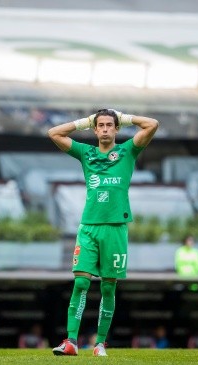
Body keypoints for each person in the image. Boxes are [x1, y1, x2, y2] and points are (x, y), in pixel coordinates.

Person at [48, 108, 159, 357]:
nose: (106, 129)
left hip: (116, 229)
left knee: (108, 288)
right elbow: (53, 133)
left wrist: (126, 117)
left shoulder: (128, 150)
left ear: (116, 128)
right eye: (101, 125)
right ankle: (71, 342)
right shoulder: (86, 153)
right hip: (88, 227)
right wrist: (84, 122)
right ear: (96, 129)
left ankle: (99, 343)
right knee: (80, 283)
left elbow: (152, 124)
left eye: (110, 124)